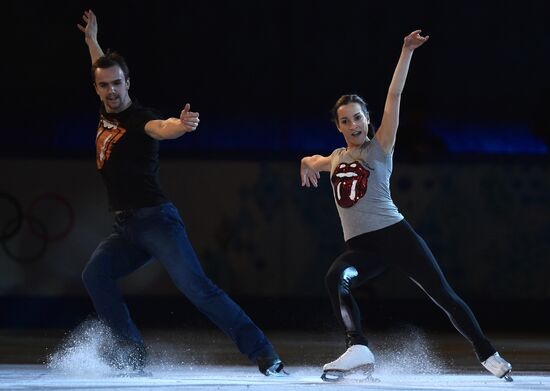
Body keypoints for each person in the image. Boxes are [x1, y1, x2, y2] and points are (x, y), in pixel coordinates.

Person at [76, 10, 285, 375]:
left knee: (197, 288)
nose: (111, 90)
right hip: (126, 227)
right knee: (95, 274)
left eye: (117, 84)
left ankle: (263, 352)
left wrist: (181, 126)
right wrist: (92, 40)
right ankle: (131, 352)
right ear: (96, 88)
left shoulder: (141, 119)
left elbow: (163, 127)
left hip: (156, 221)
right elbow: (102, 66)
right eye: (104, 85)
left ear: (128, 84)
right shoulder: (105, 107)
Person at [299, 30, 513, 382]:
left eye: (358, 117)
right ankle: (358, 348)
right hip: (362, 249)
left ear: (368, 119)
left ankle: (487, 353)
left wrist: (406, 50)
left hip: (396, 236)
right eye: (345, 120)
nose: (353, 124)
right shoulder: (336, 158)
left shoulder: (380, 147)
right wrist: (305, 164)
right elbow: (312, 159)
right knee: (335, 278)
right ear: (338, 126)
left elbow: (394, 94)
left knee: (443, 295)